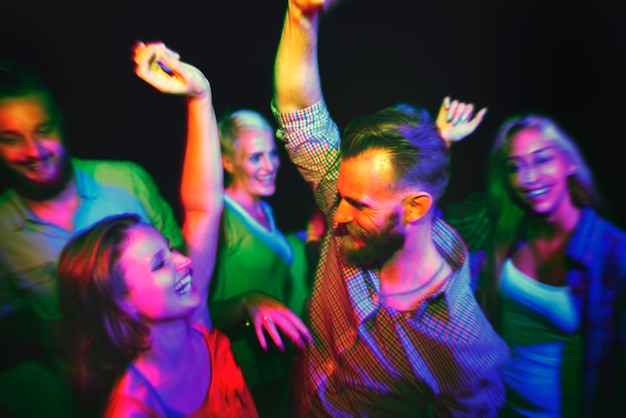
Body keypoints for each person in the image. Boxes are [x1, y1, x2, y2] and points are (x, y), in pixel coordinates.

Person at [270, 0, 509, 416]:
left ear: (415, 209)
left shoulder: (465, 341)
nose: (337, 216)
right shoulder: (355, 207)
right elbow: (300, 118)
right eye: (339, 197)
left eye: (358, 205)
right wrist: (300, 16)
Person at [56, 40, 258, 417]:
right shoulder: (135, 409)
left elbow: (202, 209)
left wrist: (200, 97)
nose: (183, 260)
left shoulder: (193, 323)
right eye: (158, 263)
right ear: (120, 302)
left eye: (171, 249)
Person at [0, 53, 183, 416]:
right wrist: (52, 336)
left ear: (61, 125)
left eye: (43, 130)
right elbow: (12, 318)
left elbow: (182, 260)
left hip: (175, 378)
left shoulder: (126, 181)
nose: (34, 151)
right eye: (11, 139)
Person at [471, 113, 626, 417]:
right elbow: (427, 219)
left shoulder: (611, 252)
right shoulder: (505, 232)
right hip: (499, 408)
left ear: (569, 163)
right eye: (516, 167)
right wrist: (442, 139)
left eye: (541, 160)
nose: (528, 178)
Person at [208, 108, 312, 417]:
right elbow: (198, 311)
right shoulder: (218, 218)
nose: (270, 166)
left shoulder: (264, 209)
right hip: (241, 379)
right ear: (228, 162)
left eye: (272, 154)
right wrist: (246, 303)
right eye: (256, 157)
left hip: (277, 369)